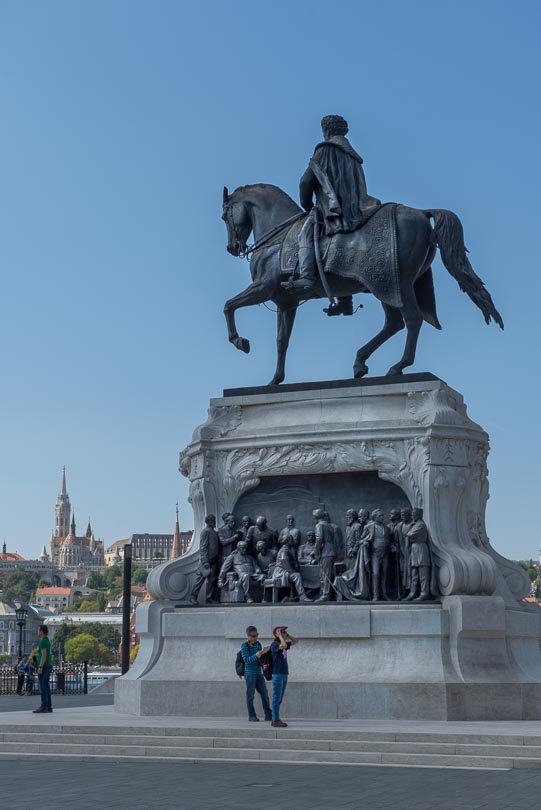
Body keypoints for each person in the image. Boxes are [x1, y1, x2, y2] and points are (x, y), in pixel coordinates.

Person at [281, 114, 380, 316]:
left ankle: (307, 278)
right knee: (341, 250)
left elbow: (305, 183)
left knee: (305, 233)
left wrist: (307, 205)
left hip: (334, 208)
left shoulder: (325, 150)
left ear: (326, 131)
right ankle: (345, 301)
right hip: (357, 206)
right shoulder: (353, 155)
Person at [240, 625, 272, 722]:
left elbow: (259, 659)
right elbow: (247, 660)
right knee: (250, 695)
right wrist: (258, 654)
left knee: (264, 694)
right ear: (248, 636)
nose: (255, 637)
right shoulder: (244, 646)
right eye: (253, 636)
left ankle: (268, 714)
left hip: (259, 673)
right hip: (249, 673)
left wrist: (264, 653)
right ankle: (252, 715)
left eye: (256, 635)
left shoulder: (258, 644)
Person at [270, 626, 298, 728]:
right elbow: (284, 645)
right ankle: (275, 720)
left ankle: (275, 717)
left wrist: (288, 635)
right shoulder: (275, 645)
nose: (286, 633)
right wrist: (280, 636)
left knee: (279, 698)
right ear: (278, 634)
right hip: (277, 674)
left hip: (284, 674)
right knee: (276, 698)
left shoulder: (282, 643)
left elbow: (296, 641)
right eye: (284, 632)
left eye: (286, 631)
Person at [190, 514, 221, 605]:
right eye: (213, 520)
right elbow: (203, 547)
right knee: (200, 580)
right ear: (209, 522)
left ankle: (209, 598)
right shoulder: (205, 532)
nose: (215, 522)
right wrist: (205, 561)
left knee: (211, 581)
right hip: (206, 561)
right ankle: (193, 596)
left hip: (214, 561)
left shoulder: (214, 532)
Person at [272, 537, 311, 602]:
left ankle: (294, 595)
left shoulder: (287, 549)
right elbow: (283, 559)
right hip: (281, 573)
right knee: (297, 576)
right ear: (288, 541)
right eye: (291, 539)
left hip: (284, 571)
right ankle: (302, 596)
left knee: (296, 574)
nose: (293, 541)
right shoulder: (284, 550)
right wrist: (291, 570)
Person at [405, 508, 432, 602]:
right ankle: (412, 593)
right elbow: (409, 536)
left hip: (421, 550)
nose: (412, 516)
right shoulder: (415, 524)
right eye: (412, 514)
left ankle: (424, 593)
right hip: (414, 550)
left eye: (414, 514)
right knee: (414, 574)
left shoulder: (420, 525)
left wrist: (411, 538)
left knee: (423, 574)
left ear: (419, 515)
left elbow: (409, 535)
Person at [313, 508, 337, 602]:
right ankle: (328, 594)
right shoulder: (329, 525)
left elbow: (319, 539)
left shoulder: (319, 525)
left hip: (326, 552)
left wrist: (315, 551)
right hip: (331, 551)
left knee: (325, 574)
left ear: (316, 516)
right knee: (328, 573)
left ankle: (326, 595)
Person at [33, 625, 52, 714]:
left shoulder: (42, 642)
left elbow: (44, 655)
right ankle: (49, 707)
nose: (37, 632)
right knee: (46, 687)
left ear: (41, 631)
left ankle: (43, 706)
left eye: (38, 630)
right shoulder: (47, 641)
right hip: (48, 665)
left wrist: (40, 667)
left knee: (43, 687)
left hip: (44, 667)